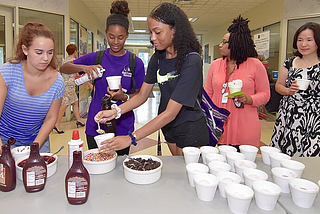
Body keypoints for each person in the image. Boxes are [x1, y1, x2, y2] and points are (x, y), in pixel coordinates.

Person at [94, 2, 209, 156]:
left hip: (189, 127)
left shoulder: (191, 60)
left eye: (157, 32)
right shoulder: (158, 57)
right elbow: (142, 95)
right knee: (177, 168)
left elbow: (171, 112)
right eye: (151, 32)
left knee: (186, 173)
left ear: (174, 30)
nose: (152, 38)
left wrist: (131, 138)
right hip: (168, 126)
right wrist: (116, 111)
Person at [60, 0, 145, 155]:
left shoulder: (135, 63)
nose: (116, 42)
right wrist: (85, 68)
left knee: (118, 170)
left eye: (120, 37)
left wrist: (123, 96)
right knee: (97, 165)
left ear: (127, 35)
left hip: (122, 127)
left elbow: (140, 95)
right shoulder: (97, 57)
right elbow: (64, 67)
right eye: (111, 37)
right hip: (96, 125)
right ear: (106, 33)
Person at [204, 15, 270, 149]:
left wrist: (248, 99)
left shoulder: (255, 64)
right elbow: (208, 94)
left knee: (244, 166)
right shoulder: (215, 65)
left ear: (236, 43)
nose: (220, 45)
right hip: (220, 125)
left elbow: (265, 94)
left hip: (245, 126)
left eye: (224, 42)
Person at [0, 22, 65, 153]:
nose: (45, 58)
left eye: (50, 52)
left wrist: (35, 147)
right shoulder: (8, 72)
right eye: (39, 52)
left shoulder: (57, 81)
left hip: (38, 140)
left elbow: (51, 117)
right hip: (5, 139)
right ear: (25, 50)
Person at [270, 22, 320, 157]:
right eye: (300, 40)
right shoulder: (290, 62)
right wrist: (288, 91)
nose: (304, 44)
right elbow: (279, 85)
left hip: (314, 118)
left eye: (309, 40)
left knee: (311, 155)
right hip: (288, 116)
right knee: (284, 155)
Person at [54, 44, 87, 134]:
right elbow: (78, 74)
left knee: (75, 102)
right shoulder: (74, 62)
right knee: (64, 105)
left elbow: (60, 72)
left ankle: (79, 120)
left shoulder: (65, 61)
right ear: (75, 51)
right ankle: (56, 124)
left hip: (65, 85)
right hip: (69, 87)